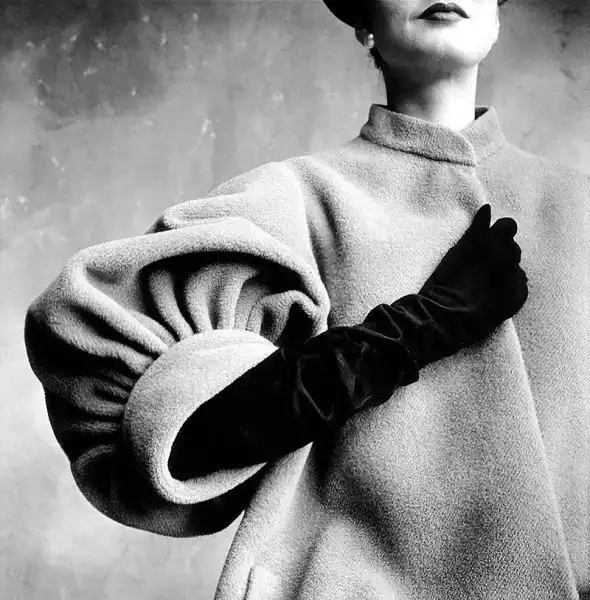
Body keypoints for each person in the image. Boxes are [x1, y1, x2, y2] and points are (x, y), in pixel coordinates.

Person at [24, 0, 590, 598]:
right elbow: (169, 433)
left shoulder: (580, 209)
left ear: (497, 19)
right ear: (365, 25)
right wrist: (414, 329)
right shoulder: (292, 197)